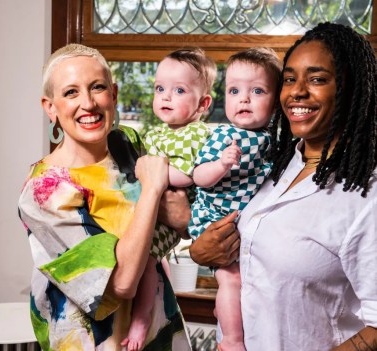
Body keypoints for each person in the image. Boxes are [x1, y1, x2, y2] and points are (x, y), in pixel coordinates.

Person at [189, 22, 377, 350]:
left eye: (317, 79)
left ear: (350, 89)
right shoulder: (274, 165)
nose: (297, 92)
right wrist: (202, 251)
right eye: (289, 79)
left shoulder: (366, 195)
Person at [18, 43, 191, 351]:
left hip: (157, 333)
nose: (88, 103)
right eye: (71, 92)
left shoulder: (126, 143)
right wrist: (152, 190)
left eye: (97, 87)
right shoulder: (44, 191)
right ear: (50, 107)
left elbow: (177, 222)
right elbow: (120, 283)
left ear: (114, 93)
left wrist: (183, 219)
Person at [122, 47, 217, 351]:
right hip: (152, 209)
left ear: (203, 104)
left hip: (171, 219)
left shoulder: (196, 135)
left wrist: (150, 172)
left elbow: (188, 175)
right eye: (160, 88)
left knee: (147, 259)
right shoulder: (157, 135)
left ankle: (140, 320)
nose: (165, 97)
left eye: (178, 90)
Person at [188, 47, 282, 351]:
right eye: (234, 90)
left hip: (240, 224)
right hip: (216, 217)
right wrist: (221, 164)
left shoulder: (270, 138)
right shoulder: (224, 137)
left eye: (257, 90)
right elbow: (198, 176)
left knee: (241, 283)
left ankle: (226, 313)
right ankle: (231, 340)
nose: (244, 99)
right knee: (231, 280)